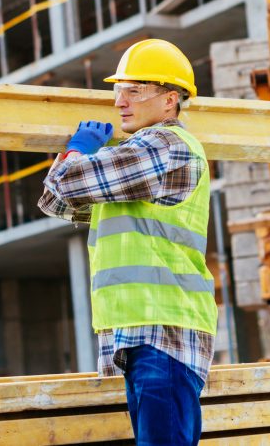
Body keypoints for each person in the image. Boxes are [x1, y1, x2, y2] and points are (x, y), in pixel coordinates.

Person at [38, 38, 217, 446]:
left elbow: (62, 181)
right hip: (139, 332)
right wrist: (82, 160)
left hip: (165, 331)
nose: (120, 102)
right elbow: (53, 201)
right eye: (117, 91)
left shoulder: (166, 147)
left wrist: (79, 150)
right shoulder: (134, 160)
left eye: (134, 91)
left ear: (170, 100)